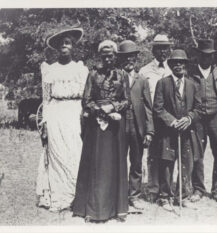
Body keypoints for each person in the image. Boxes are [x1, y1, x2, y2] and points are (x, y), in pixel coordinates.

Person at [71, 40, 130, 223]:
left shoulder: (122, 75)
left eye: (110, 55)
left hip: (115, 127)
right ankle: (93, 210)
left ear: (115, 56)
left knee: (114, 164)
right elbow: (86, 100)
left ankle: (115, 209)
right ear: (100, 56)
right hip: (96, 127)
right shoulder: (93, 74)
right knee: (96, 165)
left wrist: (113, 107)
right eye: (104, 55)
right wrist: (99, 110)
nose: (107, 58)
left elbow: (127, 100)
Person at [35, 28, 89, 212]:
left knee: (75, 152)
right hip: (56, 113)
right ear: (57, 48)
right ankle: (58, 196)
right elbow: (46, 99)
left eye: (68, 42)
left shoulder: (80, 69)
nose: (64, 46)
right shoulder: (50, 69)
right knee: (57, 153)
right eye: (61, 43)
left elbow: (85, 98)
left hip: (74, 113)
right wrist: (45, 124)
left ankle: (75, 196)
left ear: (73, 46)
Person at [153, 49, 203, 211]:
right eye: (175, 63)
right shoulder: (163, 83)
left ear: (186, 65)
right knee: (167, 163)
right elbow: (158, 108)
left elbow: (199, 108)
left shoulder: (192, 85)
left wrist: (188, 119)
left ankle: (182, 196)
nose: (178, 65)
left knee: (186, 164)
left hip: (187, 132)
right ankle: (165, 197)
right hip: (168, 132)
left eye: (182, 62)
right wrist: (173, 121)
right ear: (171, 65)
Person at [190, 39, 217, 204]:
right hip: (197, 120)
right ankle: (198, 189)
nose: (207, 58)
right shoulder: (191, 73)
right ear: (198, 56)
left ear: (213, 57)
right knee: (196, 155)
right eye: (203, 55)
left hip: (216, 119)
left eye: (210, 55)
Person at [117, 40, 154, 210]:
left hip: (137, 126)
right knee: (118, 160)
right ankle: (118, 195)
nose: (129, 60)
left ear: (136, 58)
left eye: (132, 56)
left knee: (137, 162)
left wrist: (149, 131)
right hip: (119, 126)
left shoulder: (142, 80)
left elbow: (148, 107)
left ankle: (134, 195)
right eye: (125, 57)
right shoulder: (115, 77)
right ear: (120, 59)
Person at [138, 34, 172, 202]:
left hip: (168, 120)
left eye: (165, 48)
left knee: (167, 154)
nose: (162, 51)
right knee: (152, 155)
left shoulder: (173, 69)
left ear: (169, 50)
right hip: (151, 119)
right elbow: (141, 99)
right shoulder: (144, 71)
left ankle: (166, 189)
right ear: (153, 50)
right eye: (159, 48)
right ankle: (152, 189)